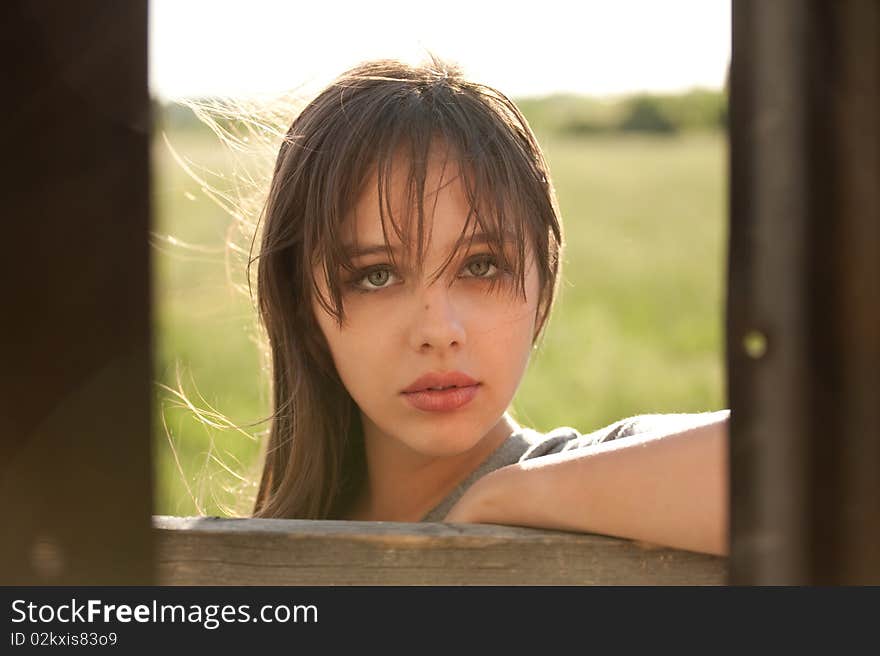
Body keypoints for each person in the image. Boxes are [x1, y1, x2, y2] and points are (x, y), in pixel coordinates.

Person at [249, 56, 729, 556]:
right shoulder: (261, 558)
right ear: (304, 309)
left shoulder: (601, 479)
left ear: (542, 279)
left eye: (481, 267)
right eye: (377, 275)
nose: (439, 330)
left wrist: (505, 495)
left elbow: (808, 460)